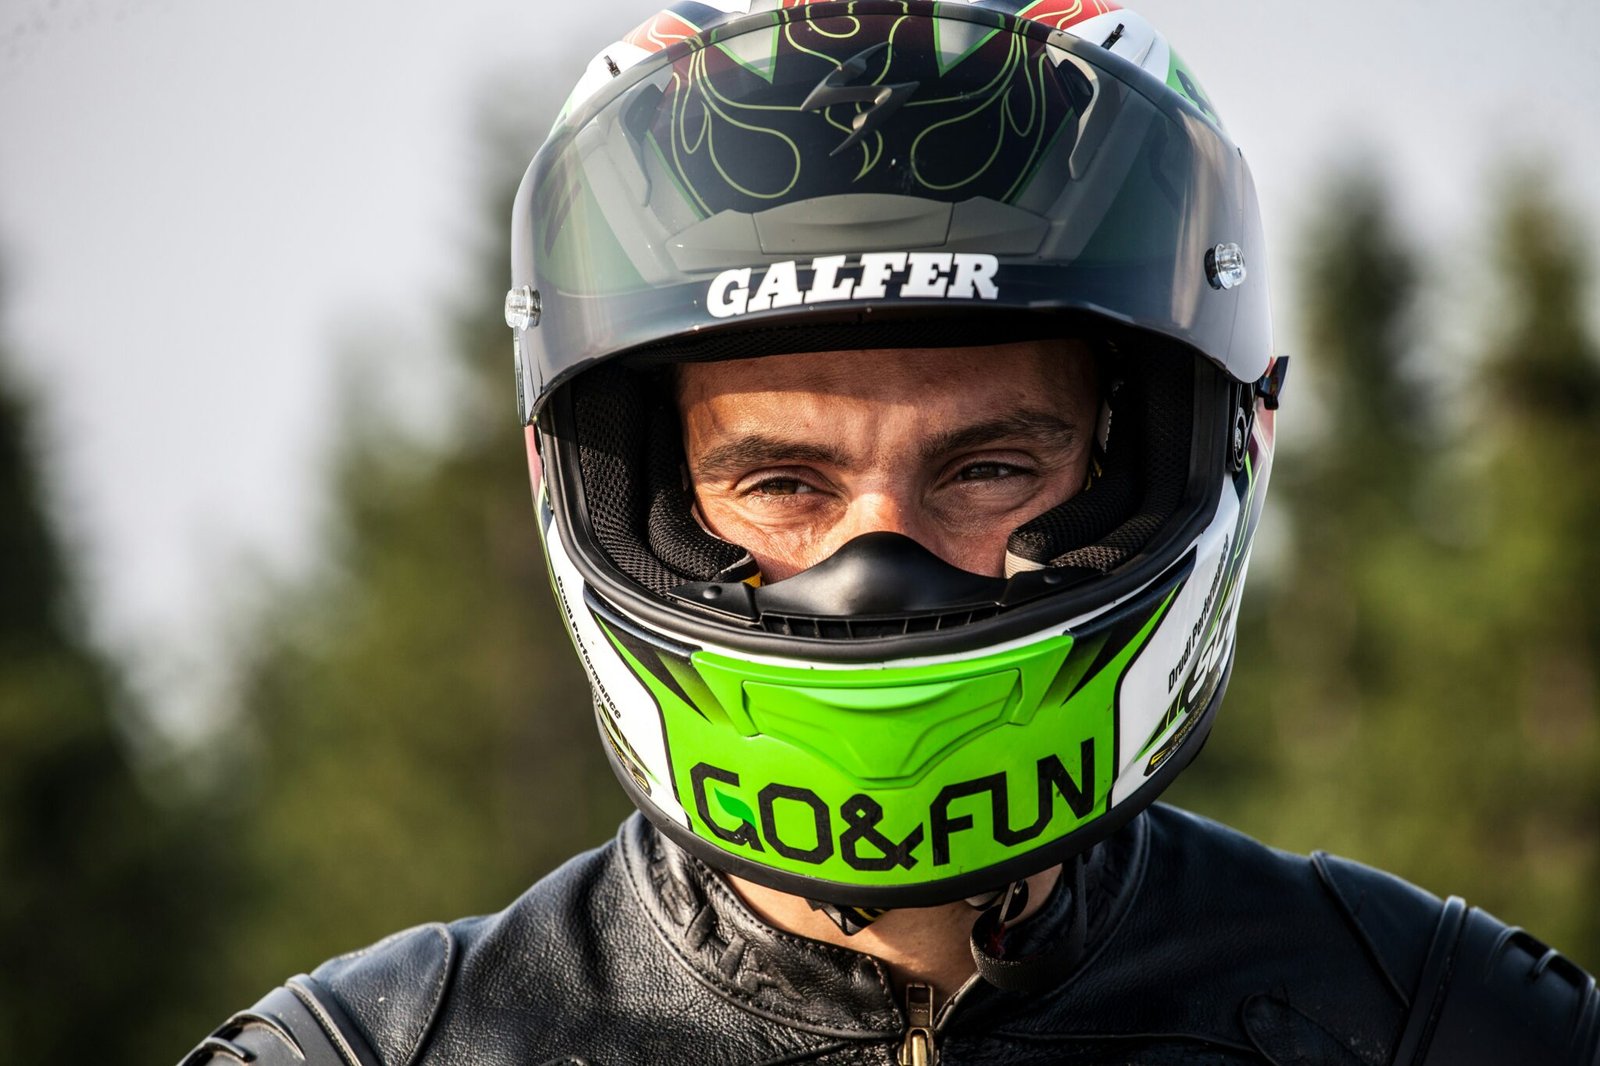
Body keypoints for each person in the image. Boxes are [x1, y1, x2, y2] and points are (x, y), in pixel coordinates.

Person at [180, 3, 1600, 1063]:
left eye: (986, 466)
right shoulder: (388, 1050)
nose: (878, 562)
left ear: (1153, 462)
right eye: (785, 482)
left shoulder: (1441, 1024)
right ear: (635, 497)